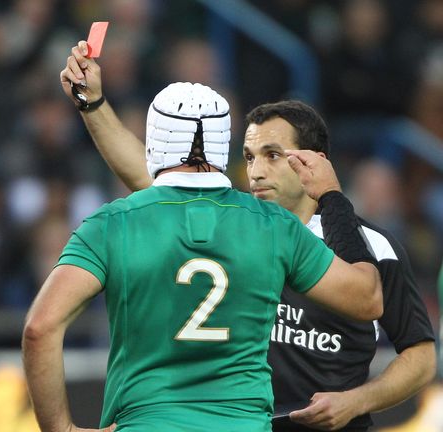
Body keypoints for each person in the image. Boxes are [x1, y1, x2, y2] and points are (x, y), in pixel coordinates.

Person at [59, 41, 436, 431]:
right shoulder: (238, 222)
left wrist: (357, 401)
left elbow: (420, 354)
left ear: (314, 160)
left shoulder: (371, 245)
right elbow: (150, 177)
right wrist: (93, 105)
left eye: (273, 155)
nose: (255, 171)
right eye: (250, 155)